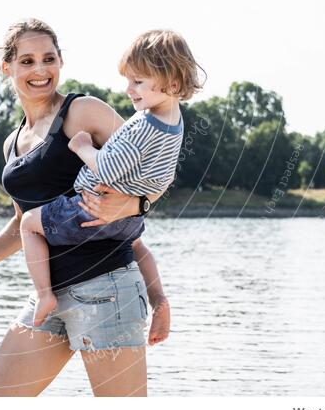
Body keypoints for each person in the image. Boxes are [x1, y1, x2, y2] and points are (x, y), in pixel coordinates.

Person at [0, 19, 172, 397]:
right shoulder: (12, 143)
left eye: (49, 58)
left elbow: (152, 165)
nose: (40, 70)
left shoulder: (83, 112)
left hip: (106, 288)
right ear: (7, 68)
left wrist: (135, 202)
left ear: (61, 62)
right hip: (48, 297)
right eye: (27, 61)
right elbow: (22, 224)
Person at [22, 29, 201, 326]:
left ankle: (44, 295)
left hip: (89, 209)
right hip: (128, 219)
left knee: (29, 224)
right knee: (137, 245)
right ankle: (160, 300)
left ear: (172, 82)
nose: (129, 89)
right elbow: (166, 175)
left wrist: (83, 148)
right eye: (128, 81)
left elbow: (105, 167)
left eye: (138, 82)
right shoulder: (175, 122)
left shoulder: (143, 124)